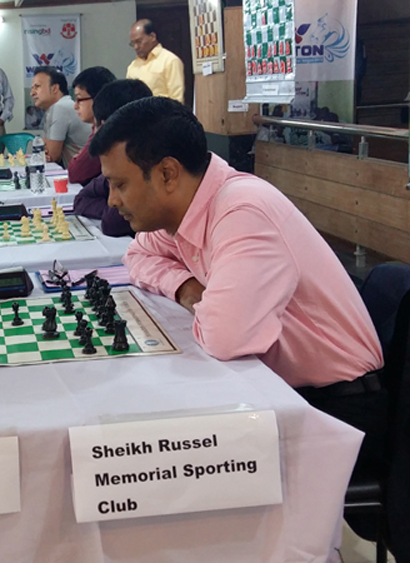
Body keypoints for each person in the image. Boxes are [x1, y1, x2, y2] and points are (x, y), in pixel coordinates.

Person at [89, 96, 385, 480]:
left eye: (119, 185)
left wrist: (205, 304)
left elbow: (227, 338)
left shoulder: (243, 212)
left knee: (158, 471)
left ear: (166, 174)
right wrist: (187, 288)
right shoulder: (188, 207)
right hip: (279, 391)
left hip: (338, 413)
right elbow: (138, 257)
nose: (112, 201)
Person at [73, 79, 151, 237]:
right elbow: (81, 199)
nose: (112, 201)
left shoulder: (144, 162)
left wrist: (110, 212)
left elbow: (112, 224)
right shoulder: (115, 165)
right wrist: (107, 210)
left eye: (96, 127)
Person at [30, 67, 91, 167]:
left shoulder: (60, 108)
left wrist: (45, 153)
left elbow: (52, 157)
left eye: (37, 86)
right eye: (32, 88)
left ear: (54, 88)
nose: (32, 93)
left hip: (85, 177)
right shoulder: (60, 106)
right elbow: (44, 153)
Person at [68, 66, 116, 186]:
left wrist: (76, 159)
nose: (75, 106)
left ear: (99, 98)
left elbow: (76, 173)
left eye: (79, 99)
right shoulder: (99, 125)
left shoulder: (105, 129)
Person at [126, 19, 184, 103]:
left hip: (162, 115)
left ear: (152, 37)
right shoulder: (132, 66)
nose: (136, 47)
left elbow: (177, 100)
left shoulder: (170, 61)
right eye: (133, 43)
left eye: (139, 42)